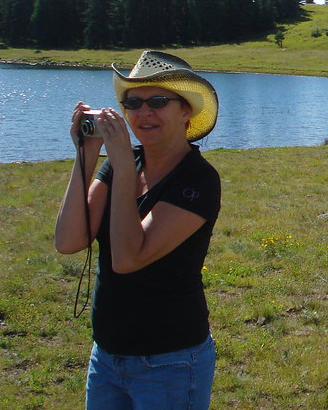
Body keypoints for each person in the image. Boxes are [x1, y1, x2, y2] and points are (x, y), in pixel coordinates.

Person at [55, 50, 221, 410]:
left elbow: (129, 258)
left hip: (170, 360)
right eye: (132, 103)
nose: (143, 113)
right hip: (107, 355)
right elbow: (69, 241)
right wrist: (86, 153)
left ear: (185, 111)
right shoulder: (123, 163)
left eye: (158, 101)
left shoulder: (198, 179)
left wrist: (122, 168)